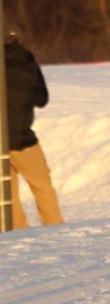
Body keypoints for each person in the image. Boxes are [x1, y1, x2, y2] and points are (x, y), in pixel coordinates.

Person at [4, 32, 64, 230]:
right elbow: (42, 100)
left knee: (7, 195)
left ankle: (17, 234)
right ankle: (55, 228)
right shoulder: (29, 65)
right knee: (42, 187)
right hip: (23, 142)